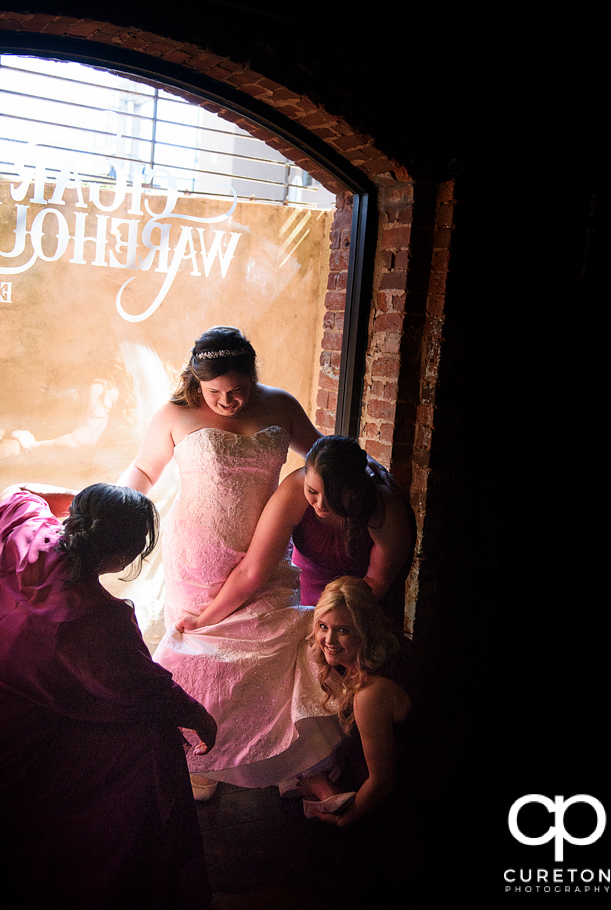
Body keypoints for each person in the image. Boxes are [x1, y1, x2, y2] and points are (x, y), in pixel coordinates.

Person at [0, 481, 216, 910]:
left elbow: (21, 489)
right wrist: (200, 716)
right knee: (151, 742)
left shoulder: (23, 528)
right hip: (12, 723)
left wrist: (91, 506)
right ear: (121, 558)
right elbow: (144, 687)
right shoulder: (96, 617)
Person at [119, 326, 342, 797]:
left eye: (238, 390)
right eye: (215, 391)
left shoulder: (279, 405)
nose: (227, 401)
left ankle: (280, 758)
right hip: (198, 556)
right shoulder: (174, 415)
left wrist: (366, 476)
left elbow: (322, 455)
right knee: (203, 655)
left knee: (268, 651)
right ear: (195, 381)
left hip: (262, 548)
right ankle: (200, 759)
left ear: (253, 375)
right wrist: (109, 509)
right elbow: (143, 469)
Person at [189, 435, 414, 635]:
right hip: (311, 586)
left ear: (355, 490)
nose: (321, 504)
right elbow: (252, 570)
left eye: (334, 496)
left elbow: (377, 581)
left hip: (367, 600)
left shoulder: (384, 509)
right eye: (312, 491)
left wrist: (332, 624)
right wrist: (203, 621)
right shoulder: (294, 491)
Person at [299, 576, 412, 826]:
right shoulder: (385, 648)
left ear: (365, 629)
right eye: (323, 626)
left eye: (343, 630)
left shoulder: (371, 693)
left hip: (403, 796)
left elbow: (382, 781)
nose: (328, 640)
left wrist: (345, 821)